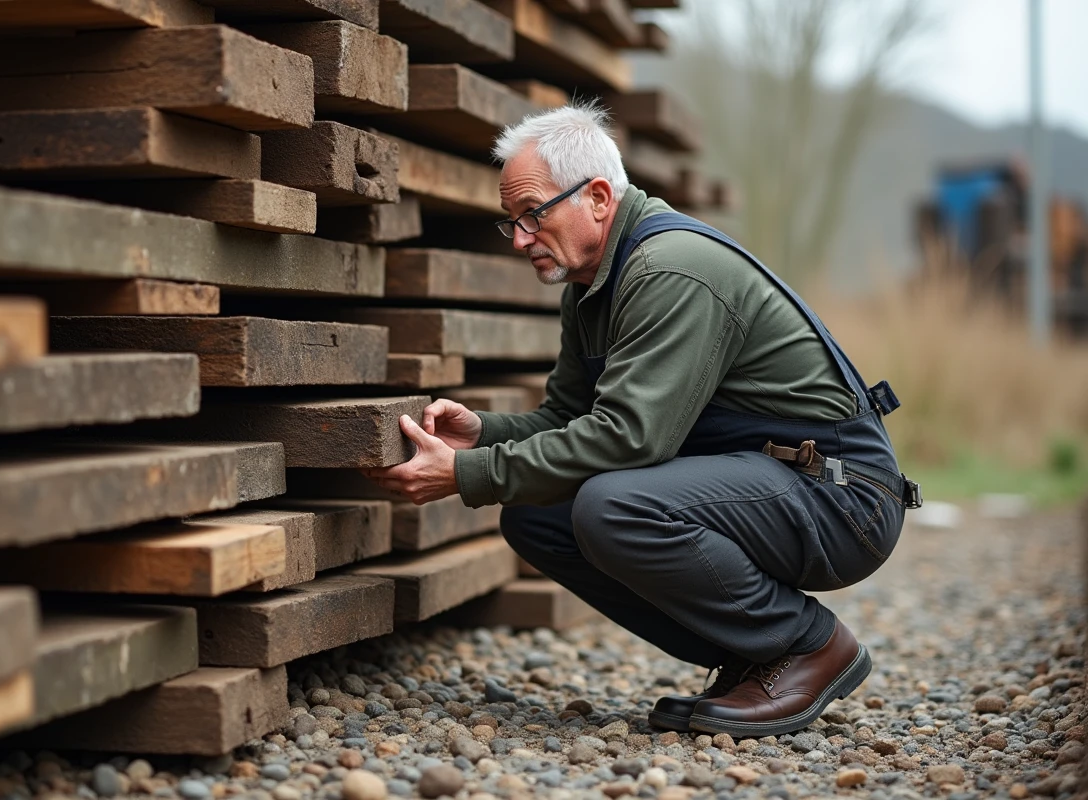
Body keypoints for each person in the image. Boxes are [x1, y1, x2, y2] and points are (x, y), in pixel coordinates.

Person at [362, 101, 920, 738]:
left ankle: (806, 645)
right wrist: (482, 436)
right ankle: (751, 655)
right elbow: (570, 418)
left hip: (843, 496)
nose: (519, 238)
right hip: (772, 483)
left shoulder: (669, 269)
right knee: (538, 516)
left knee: (613, 506)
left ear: (598, 198)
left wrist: (466, 474)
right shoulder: (592, 284)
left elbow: (629, 439)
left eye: (533, 214)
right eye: (511, 221)